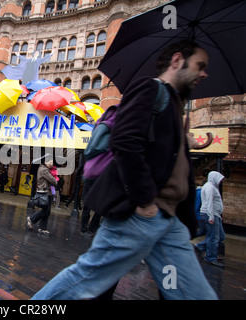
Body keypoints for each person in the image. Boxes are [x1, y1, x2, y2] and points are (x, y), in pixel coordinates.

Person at [31, 40, 218, 300]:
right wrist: (144, 202)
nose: (203, 73)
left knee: (192, 294)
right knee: (85, 279)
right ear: (177, 60)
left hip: (168, 219)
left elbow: (160, 153)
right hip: (143, 214)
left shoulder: (174, 106)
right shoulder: (150, 89)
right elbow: (125, 141)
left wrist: (185, 142)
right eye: (200, 65)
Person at [195, 171, 226, 267]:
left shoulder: (212, 187)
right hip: (211, 215)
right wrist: (211, 216)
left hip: (215, 215)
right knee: (213, 237)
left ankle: (200, 247)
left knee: (220, 236)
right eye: (219, 178)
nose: (220, 181)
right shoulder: (209, 188)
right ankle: (211, 258)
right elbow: (209, 203)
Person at [27, 159, 58, 235]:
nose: (51, 163)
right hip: (45, 192)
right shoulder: (44, 170)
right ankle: (31, 219)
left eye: (52, 162)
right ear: (44, 162)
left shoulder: (46, 169)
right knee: (46, 210)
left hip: (47, 192)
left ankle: (42, 228)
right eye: (49, 162)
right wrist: (55, 180)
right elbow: (53, 181)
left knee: (47, 211)